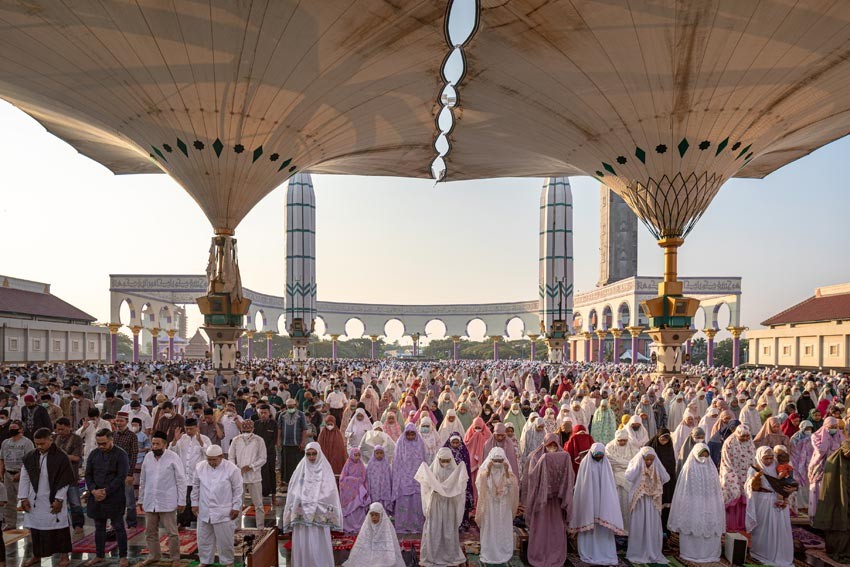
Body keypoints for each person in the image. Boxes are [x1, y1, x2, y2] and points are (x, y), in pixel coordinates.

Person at [18, 427, 74, 567]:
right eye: (36, 444)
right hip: (35, 500)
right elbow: (24, 477)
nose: (39, 447)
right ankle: (36, 555)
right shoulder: (30, 456)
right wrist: (23, 497)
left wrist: (59, 499)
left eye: (42, 443)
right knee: (35, 529)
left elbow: (65, 480)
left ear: (50, 440)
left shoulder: (61, 457)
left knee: (60, 528)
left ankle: (64, 556)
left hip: (54, 499)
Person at [281, 442, 342, 567]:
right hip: (302, 515)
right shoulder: (301, 469)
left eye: (314, 454)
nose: (311, 457)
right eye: (308, 454)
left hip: (319, 514)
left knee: (319, 543)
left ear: (319, 453)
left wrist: (315, 502)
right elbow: (293, 490)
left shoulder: (326, 469)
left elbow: (330, 491)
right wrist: (302, 500)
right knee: (303, 542)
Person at [568, 442, 624, 566]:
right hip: (588, 501)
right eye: (596, 456)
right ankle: (588, 551)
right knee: (589, 526)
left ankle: (604, 552)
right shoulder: (585, 463)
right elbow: (581, 485)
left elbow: (610, 485)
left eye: (600, 456)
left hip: (603, 502)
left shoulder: (606, 464)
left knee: (602, 529)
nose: (598, 458)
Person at [668, 443, 725, 563]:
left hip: (709, 503)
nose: (703, 458)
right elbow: (684, 489)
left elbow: (716, 490)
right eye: (701, 455)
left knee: (709, 526)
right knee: (693, 525)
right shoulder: (689, 468)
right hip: (692, 503)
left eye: (706, 455)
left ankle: (710, 553)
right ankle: (691, 552)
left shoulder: (711, 469)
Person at [525, 433, 575, 567]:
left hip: (557, 502)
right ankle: (539, 553)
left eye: (554, 445)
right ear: (544, 444)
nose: (552, 448)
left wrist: (558, 486)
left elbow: (569, 475)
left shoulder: (564, 456)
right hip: (541, 502)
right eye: (549, 445)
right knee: (541, 528)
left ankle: (555, 554)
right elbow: (532, 476)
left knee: (556, 529)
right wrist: (544, 462)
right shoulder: (536, 456)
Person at [139, 430, 186, 567]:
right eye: (153, 444)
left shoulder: (173, 457)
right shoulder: (148, 457)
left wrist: (182, 501)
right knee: (150, 532)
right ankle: (154, 555)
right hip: (150, 500)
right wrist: (141, 499)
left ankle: (175, 558)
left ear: (165, 444)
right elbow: (143, 479)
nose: (154, 447)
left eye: (157, 444)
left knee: (172, 532)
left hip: (167, 501)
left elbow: (181, 480)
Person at [415, 446, 468, 567]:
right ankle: (433, 554)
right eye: (442, 460)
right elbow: (426, 485)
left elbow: (459, 487)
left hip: (449, 504)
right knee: (434, 528)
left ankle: (449, 555)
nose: (445, 463)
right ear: (438, 459)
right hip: (436, 503)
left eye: (447, 460)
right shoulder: (432, 470)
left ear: (451, 459)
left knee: (448, 528)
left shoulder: (455, 471)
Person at [191, 445, 242, 567]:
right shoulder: (200, 467)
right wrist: (194, 503)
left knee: (225, 539)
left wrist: (236, 507)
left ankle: (228, 562)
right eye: (209, 459)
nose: (211, 462)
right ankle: (205, 561)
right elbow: (195, 487)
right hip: (204, 509)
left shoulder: (232, 469)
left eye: (214, 459)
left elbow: (238, 490)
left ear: (221, 457)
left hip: (223, 511)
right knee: (204, 538)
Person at [85, 428, 130, 567]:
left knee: (118, 527)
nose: (101, 446)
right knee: (99, 527)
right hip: (96, 496)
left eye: (104, 443)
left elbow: (121, 477)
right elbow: (88, 475)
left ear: (111, 440)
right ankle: (99, 555)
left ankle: (123, 556)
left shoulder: (121, 454)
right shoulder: (94, 454)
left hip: (114, 496)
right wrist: (93, 490)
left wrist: (105, 491)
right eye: (98, 443)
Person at [745, 447, 794, 567]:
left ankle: (779, 553)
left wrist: (788, 491)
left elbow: (789, 481)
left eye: (771, 458)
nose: (769, 461)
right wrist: (756, 477)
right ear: (760, 458)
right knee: (763, 526)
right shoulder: (754, 468)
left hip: (778, 499)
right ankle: (761, 552)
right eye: (766, 458)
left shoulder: (778, 467)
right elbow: (749, 486)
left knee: (779, 527)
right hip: (762, 501)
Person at [625, 447, 669, 564]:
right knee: (639, 523)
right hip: (639, 501)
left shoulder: (656, 466)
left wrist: (656, 469)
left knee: (652, 523)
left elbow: (666, 477)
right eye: (646, 459)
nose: (649, 462)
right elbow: (628, 476)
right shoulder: (636, 465)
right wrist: (639, 465)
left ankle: (652, 550)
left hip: (652, 501)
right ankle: (637, 551)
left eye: (651, 459)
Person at [475, 447, 518, 566]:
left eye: (500, 461)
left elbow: (512, 486)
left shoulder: (507, 471)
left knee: (502, 526)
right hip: (489, 505)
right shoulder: (484, 472)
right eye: (495, 460)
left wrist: (507, 472)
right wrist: (488, 471)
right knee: (490, 526)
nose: (497, 463)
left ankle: (503, 550)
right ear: (490, 460)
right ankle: (489, 551)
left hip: (503, 506)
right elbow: (480, 485)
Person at [812, 434, 850, 562]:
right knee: (839, 523)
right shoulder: (833, 462)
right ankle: (838, 550)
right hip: (837, 500)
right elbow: (830, 487)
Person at [171, 417, 211, 527]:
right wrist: (175, 440)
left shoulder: (205, 439)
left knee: (198, 499)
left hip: (198, 476)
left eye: (191, 429)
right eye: (187, 429)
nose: (188, 431)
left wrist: (201, 443)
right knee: (183, 499)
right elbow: (172, 452)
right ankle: (183, 523)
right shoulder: (181, 438)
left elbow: (209, 455)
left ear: (197, 428)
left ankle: (199, 522)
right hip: (184, 475)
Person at [227, 419, 266, 527]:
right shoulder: (236, 440)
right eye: (244, 430)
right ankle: (237, 527)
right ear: (241, 429)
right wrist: (236, 469)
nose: (246, 432)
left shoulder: (259, 440)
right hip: (239, 477)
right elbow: (231, 457)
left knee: (258, 504)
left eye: (248, 430)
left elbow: (263, 458)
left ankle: (260, 528)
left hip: (254, 477)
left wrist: (251, 466)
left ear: (253, 429)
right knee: (237, 504)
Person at [343, 502, 405, 567]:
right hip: (368, 554)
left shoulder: (388, 528)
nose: (374, 517)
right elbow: (363, 543)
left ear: (381, 515)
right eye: (372, 515)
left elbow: (390, 546)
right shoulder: (367, 526)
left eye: (376, 515)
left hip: (383, 556)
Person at [391, 424, 427, 533]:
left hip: (417, 479)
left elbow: (424, 461)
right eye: (408, 434)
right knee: (404, 501)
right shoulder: (400, 443)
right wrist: (398, 478)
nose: (410, 436)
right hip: (403, 478)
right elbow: (396, 462)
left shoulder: (420, 443)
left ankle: (417, 526)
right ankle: (403, 526)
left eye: (412, 434)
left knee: (416, 501)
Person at [719, 424, 755, 532]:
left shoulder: (750, 443)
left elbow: (753, 459)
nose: (745, 438)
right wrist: (732, 477)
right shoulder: (729, 442)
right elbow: (726, 462)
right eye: (743, 436)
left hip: (747, 475)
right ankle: (731, 526)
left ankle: (744, 525)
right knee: (734, 495)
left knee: (746, 498)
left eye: (747, 436)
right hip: (732, 473)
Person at [53, 417, 85, 533]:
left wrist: (61, 456)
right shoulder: (54, 438)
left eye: (62, 429)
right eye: (58, 429)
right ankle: (61, 525)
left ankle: (78, 524)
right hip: (57, 477)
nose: (60, 432)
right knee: (58, 502)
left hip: (71, 475)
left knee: (75, 502)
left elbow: (76, 458)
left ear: (69, 427)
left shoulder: (76, 439)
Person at [808, 416, 844, 518]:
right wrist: (827, 440)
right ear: (825, 426)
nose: (834, 429)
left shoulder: (839, 435)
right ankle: (817, 516)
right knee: (819, 489)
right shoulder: (816, 436)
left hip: (834, 467)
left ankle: (830, 516)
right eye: (831, 427)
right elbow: (820, 450)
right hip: (819, 466)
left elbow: (843, 448)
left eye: (835, 427)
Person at [0, 420, 33, 527]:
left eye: (14, 428)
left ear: (21, 429)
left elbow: (30, 460)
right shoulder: (5, 442)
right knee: (9, 501)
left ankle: (30, 524)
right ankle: (10, 524)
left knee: (26, 500)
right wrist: (1, 472)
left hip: (22, 474)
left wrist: (21, 474)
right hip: (8, 474)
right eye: (10, 428)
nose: (11, 430)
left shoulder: (27, 443)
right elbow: (2, 459)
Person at [605, 428, 638, 531]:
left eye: (624, 440)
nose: (623, 442)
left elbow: (635, 462)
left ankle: (627, 528)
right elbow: (610, 461)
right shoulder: (609, 447)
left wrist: (623, 464)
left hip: (629, 479)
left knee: (627, 504)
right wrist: (627, 463)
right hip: (614, 478)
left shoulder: (632, 447)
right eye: (620, 440)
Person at [111, 412, 139, 529]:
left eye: (121, 421)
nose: (119, 423)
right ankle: (115, 523)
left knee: (129, 500)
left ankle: (132, 523)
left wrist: (130, 474)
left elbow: (133, 455)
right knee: (114, 499)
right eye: (117, 421)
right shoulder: (113, 435)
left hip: (126, 471)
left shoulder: (132, 436)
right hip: (113, 472)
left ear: (127, 422)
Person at [646, 427, 677, 531]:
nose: (664, 441)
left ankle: (664, 528)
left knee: (665, 505)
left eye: (667, 439)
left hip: (667, 481)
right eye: (662, 439)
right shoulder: (650, 447)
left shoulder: (669, 447)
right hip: (652, 479)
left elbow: (672, 464)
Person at [277, 398, 308, 486]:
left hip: (297, 444)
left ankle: (298, 483)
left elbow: (304, 429)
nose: (290, 408)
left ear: (295, 405)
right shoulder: (282, 415)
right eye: (288, 407)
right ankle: (286, 482)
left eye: (292, 406)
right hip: (285, 443)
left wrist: (303, 442)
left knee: (297, 464)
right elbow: (279, 429)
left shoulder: (301, 415)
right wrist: (278, 440)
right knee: (286, 464)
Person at [340, 448, 369, 533]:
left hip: (359, 492)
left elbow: (364, 478)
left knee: (358, 509)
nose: (357, 457)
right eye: (355, 455)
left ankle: (360, 526)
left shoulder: (361, 465)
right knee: (350, 511)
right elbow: (342, 479)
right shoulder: (348, 464)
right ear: (351, 455)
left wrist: (358, 481)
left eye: (358, 455)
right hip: (349, 493)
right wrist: (354, 480)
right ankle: (349, 526)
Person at [251, 404, 277, 497]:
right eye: (261, 413)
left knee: (271, 472)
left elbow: (274, 439)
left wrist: (266, 450)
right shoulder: (256, 424)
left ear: (269, 413)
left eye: (265, 413)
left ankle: (273, 493)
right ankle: (262, 493)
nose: (263, 415)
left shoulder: (274, 424)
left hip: (270, 453)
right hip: (258, 454)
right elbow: (253, 438)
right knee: (260, 472)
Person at [366, 445, 393, 513]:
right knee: (375, 505)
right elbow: (368, 477)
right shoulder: (370, 464)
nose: (379, 455)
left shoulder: (386, 464)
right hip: (374, 489)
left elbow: (389, 478)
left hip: (384, 488)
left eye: (381, 453)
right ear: (374, 453)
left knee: (383, 507)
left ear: (384, 454)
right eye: (377, 453)